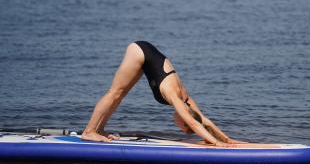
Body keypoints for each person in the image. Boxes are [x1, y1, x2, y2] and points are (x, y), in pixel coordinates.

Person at [82, 41, 245, 147]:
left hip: (147, 55)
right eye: (182, 126)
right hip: (139, 52)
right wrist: (217, 143)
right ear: (184, 120)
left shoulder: (188, 101)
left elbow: (205, 121)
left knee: (120, 95)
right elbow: (195, 124)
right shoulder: (178, 100)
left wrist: (228, 139)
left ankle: (99, 129)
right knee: (115, 92)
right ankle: (89, 131)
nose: (178, 125)